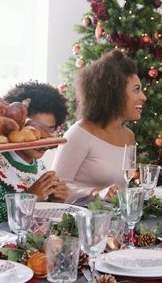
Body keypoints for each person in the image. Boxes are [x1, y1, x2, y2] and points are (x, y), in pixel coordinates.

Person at [0, 82, 69, 227]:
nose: (44, 139)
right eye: (34, 130)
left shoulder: (39, 166)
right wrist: (28, 198)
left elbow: (33, 216)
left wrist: (53, 201)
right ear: (15, 126)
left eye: (49, 131)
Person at [53, 50, 146, 204]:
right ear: (115, 93)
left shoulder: (129, 136)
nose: (143, 97)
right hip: (77, 221)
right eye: (136, 89)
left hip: (112, 221)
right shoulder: (79, 133)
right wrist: (95, 192)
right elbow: (56, 190)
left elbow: (122, 189)